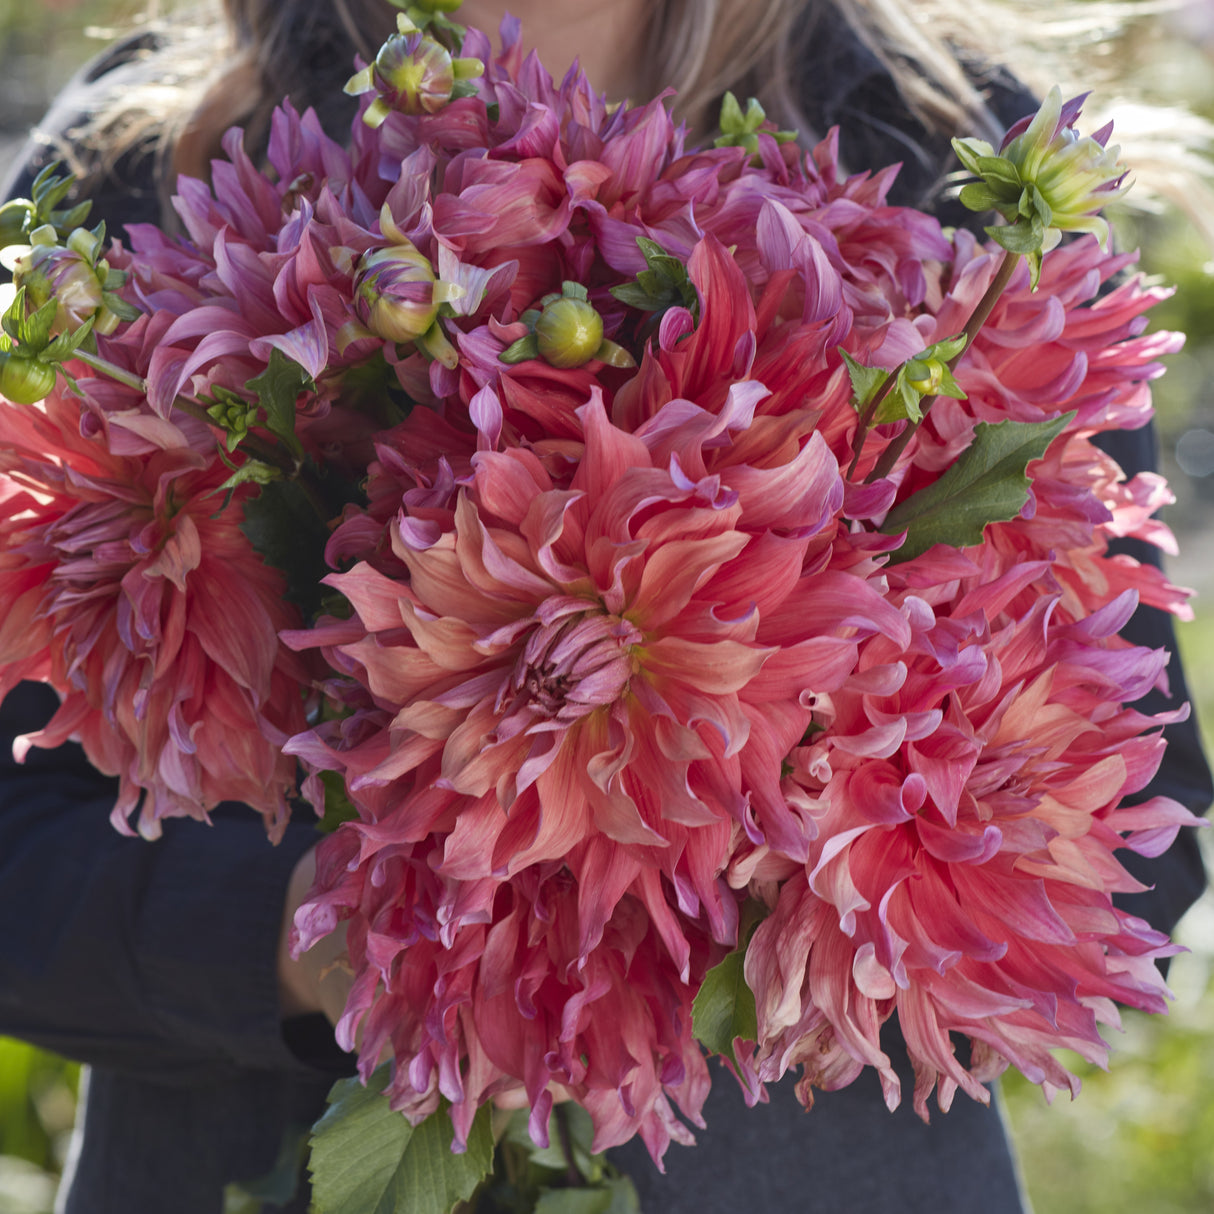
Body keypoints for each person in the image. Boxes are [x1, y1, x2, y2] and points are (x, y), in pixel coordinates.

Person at [0, 2, 1209, 1211]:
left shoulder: (947, 154)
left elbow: (1131, 826)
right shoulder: (149, 158)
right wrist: (313, 943)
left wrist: (797, 824)